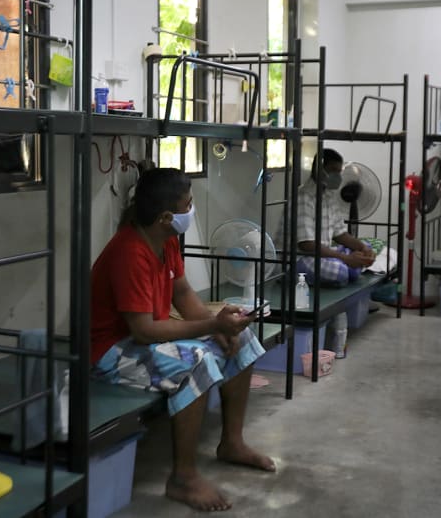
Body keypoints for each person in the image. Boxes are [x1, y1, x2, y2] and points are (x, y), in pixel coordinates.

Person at [90, 167, 275, 513]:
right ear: (165, 217)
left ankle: (232, 443)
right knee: (196, 362)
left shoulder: (165, 240)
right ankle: (183, 478)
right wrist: (209, 327)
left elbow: (183, 293)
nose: (192, 210)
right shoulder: (130, 253)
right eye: (187, 204)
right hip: (109, 351)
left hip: (144, 337)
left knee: (243, 337)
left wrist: (216, 324)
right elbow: (143, 330)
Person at [294, 148, 376, 357]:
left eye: (339, 171)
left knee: (356, 265)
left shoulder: (329, 197)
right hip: (303, 258)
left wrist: (363, 249)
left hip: (324, 252)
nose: (337, 177)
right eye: (332, 170)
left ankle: (346, 266)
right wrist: (346, 258)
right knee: (342, 271)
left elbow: (340, 234)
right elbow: (306, 244)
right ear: (318, 169)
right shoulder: (305, 197)